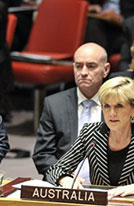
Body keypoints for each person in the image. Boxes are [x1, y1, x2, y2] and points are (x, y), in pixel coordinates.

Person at [46, 76, 134, 197]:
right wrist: (65, 179)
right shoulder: (91, 133)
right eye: (107, 106)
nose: (112, 113)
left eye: (119, 106)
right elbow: (54, 170)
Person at [32, 43, 110, 178]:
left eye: (91, 66)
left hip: (108, 187)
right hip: (64, 185)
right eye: (78, 66)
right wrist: (62, 177)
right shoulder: (55, 104)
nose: (84, 72)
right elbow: (42, 155)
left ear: (106, 69)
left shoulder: (118, 103)